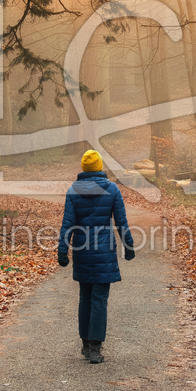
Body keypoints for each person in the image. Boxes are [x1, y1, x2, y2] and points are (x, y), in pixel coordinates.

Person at [57, 149, 136, 364]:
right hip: (104, 252)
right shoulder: (111, 189)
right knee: (99, 299)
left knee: (85, 297)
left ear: (84, 168)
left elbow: (67, 224)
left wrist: (62, 251)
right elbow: (121, 221)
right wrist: (128, 245)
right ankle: (95, 349)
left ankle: (85, 343)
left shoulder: (73, 191)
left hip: (82, 251)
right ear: (100, 167)